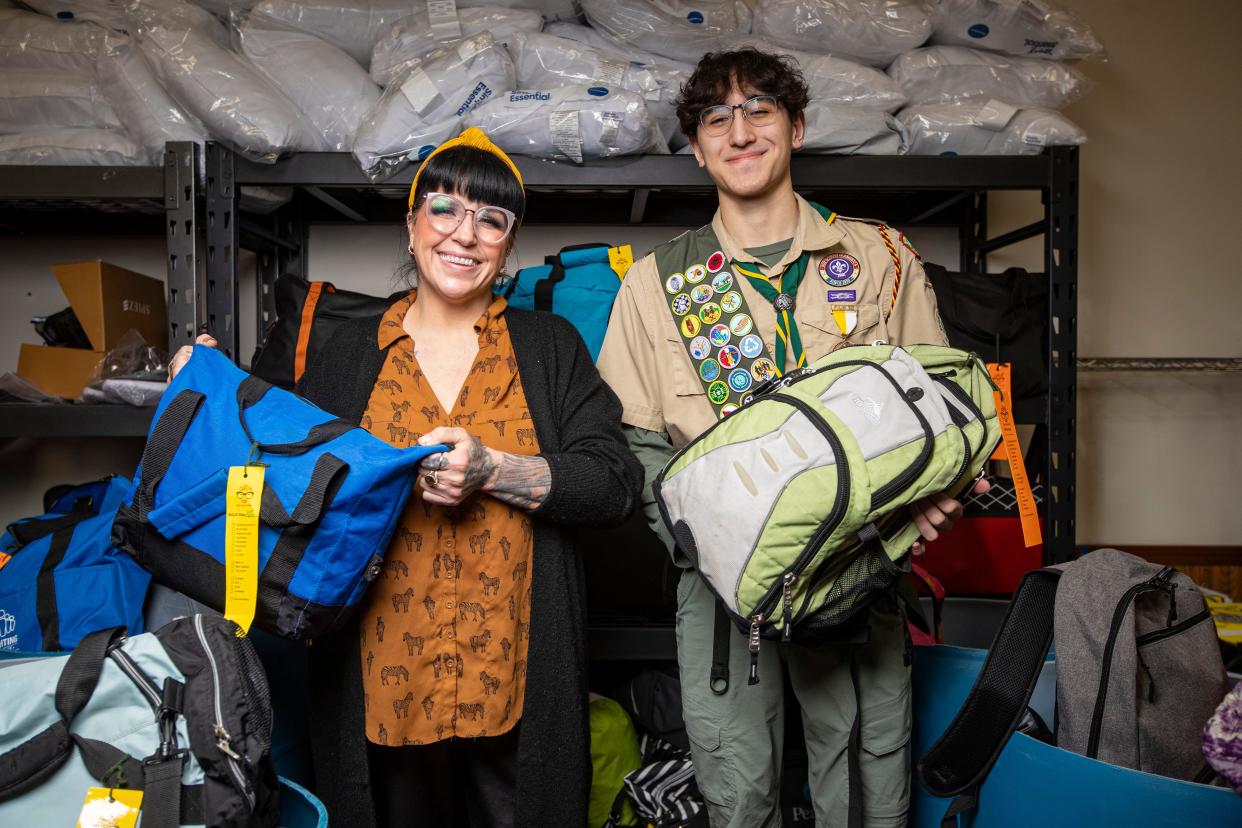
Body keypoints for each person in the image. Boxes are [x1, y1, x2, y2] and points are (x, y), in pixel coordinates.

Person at [169, 127, 643, 828]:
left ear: (509, 243)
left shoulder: (549, 348)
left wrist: (495, 470)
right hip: (381, 687)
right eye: (445, 208)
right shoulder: (350, 353)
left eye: (492, 218)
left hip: (515, 683)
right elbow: (269, 483)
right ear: (411, 223)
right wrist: (203, 394)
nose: (466, 234)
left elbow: (615, 485)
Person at [596, 49, 989, 827]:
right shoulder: (656, 284)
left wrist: (926, 511)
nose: (738, 132)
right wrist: (713, 554)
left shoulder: (878, 259)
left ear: (797, 128)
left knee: (866, 786)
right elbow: (634, 447)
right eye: (716, 119)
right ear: (698, 148)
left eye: (760, 110)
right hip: (721, 593)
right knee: (738, 791)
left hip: (861, 570)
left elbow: (939, 404)